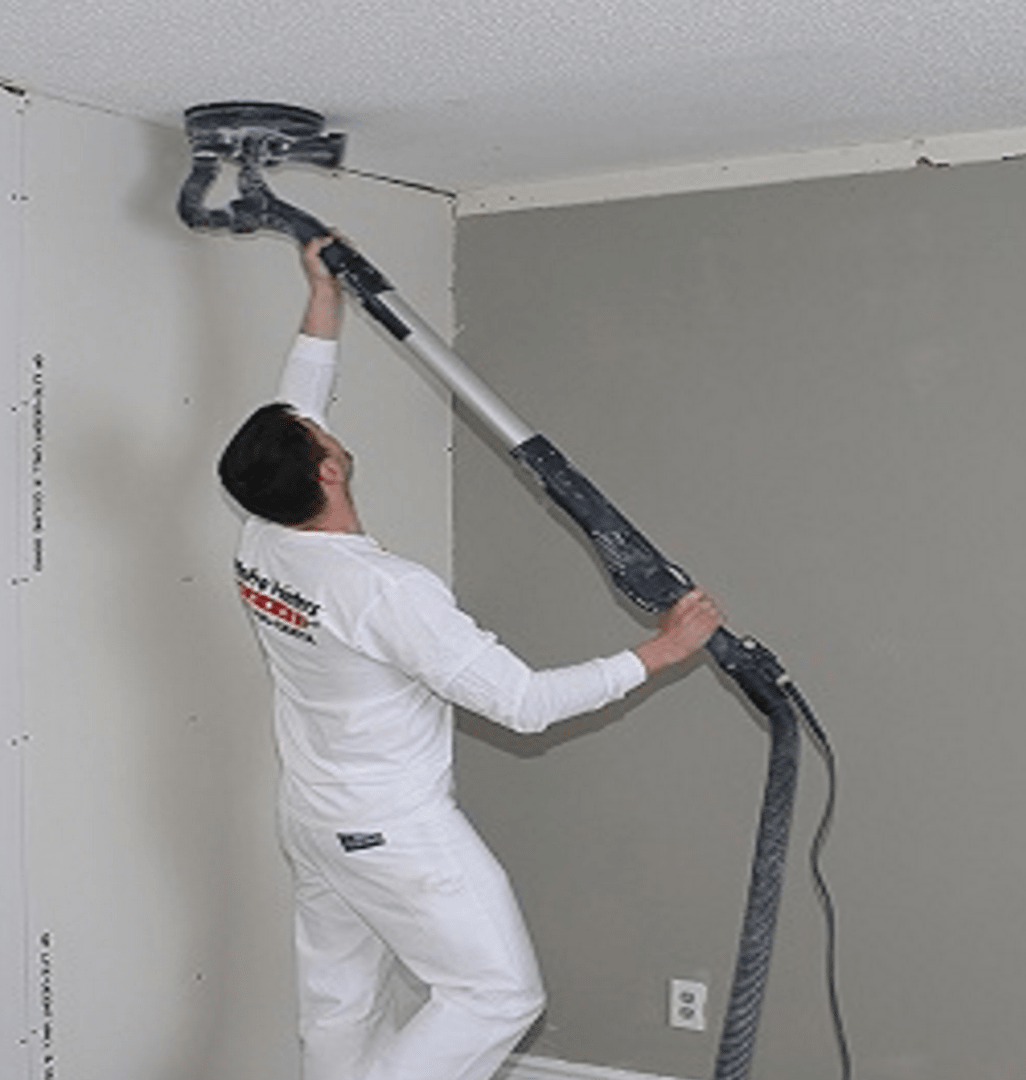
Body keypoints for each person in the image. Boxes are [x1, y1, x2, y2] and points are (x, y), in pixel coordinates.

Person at [218, 236, 725, 1080]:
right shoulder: (386, 591)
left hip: (314, 820)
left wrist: (323, 300)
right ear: (332, 468)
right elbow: (522, 704)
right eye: (320, 433)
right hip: (394, 830)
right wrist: (661, 651)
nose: (321, 420)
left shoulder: (263, 535)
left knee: (341, 1002)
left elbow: (296, 406)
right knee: (498, 997)